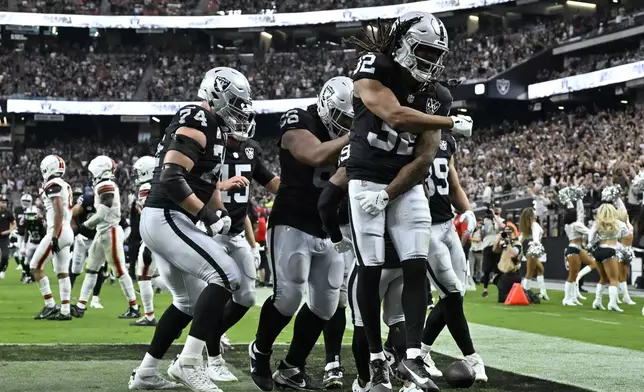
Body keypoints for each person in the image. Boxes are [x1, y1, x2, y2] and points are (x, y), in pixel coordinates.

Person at [344, 12, 472, 391]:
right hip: (365, 177)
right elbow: (394, 115)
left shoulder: (438, 95)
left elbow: (424, 159)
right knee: (370, 267)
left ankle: (413, 357)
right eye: (424, 52)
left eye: (437, 55)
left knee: (416, 265)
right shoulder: (374, 68)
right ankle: (374, 356)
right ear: (402, 45)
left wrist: (390, 194)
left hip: (402, 183)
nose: (431, 63)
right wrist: (449, 123)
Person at [129, 66, 252, 392]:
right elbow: (171, 177)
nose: (241, 111)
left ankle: (146, 373)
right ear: (218, 95)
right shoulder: (198, 118)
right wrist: (208, 217)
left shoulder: (213, 129)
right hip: (166, 215)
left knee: (187, 303)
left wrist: (220, 211)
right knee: (227, 276)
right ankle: (188, 363)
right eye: (237, 103)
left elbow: (207, 181)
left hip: (168, 217)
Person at [249, 77, 351, 391]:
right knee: (288, 296)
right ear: (325, 105)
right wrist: (356, 137)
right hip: (292, 220)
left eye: (352, 120)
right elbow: (316, 154)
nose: (346, 125)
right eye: (343, 118)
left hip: (328, 226)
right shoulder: (298, 119)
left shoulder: (350, 132)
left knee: (326, 304)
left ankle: (291, 366)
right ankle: (260, 351)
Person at [318, 144, 407, 392]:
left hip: (371, 258)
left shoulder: (357, 151)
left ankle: (366, 381)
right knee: (399, 319)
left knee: (361, 322)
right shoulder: (407, 149)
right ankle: (409, 380)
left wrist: (336, 237)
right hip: (403, 254)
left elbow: (325, 203)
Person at [206, 116, 280, 383]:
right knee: (214, 295)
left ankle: (209, 337)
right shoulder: (208, 144)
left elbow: (271, 183)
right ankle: (211, 357)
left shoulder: (250, 149)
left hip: (235, 233)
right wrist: (221, 185)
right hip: (208, 231)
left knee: (247, 297)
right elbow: (187, 181)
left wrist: (300, 194)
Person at [421, 129, 487, 383]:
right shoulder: (409, 136)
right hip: (424, 227)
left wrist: (468, 210)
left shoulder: (447, 140)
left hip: (447, 224)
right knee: (450, 293)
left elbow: (453, 183)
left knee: (455, 294)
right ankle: (472, 356)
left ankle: (423, 352)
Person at [71, 155, 139, 319]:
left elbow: (102, 212)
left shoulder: (106, 185)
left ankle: (134, 307)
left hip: (111, 232)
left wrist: (83, 226)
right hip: (103, 232)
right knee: (91, 269)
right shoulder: (104, 184)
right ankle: (80, 306)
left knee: (120, 270)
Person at [31, 155, 75, 321]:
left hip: (58, 232)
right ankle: (64, 310)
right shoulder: (64, 184)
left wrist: (55, 235)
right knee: (62, 272)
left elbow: (59, 210)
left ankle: (50, 305)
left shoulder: (53, 184)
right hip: (66, 230)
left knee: (35, 266)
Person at [130, 155, 160, 327]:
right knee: (153, 276)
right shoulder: (158, 184)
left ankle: (149, 316)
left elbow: (149, 215)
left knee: (144, 276)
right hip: (157, 235)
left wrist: (148, 243)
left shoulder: (146, 187)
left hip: (152, 236)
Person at [588, 203, 628, 312]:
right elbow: (626, 233)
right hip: (610, 251)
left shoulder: (597, 224)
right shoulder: (618, 223)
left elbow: (590, 238)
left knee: (603, 278)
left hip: (598, 251)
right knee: (614, 279)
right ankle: (612, 303)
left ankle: (597, 301)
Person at [562, 196, 595, 306]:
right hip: (574, 250)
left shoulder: (567, 225)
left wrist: (574, 199)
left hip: (575, 248)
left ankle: (573, 297)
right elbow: (590, 232)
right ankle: (567, 299)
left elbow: (578, 212)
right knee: (572, 276)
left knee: (589, 266)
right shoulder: (576, 225)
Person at [519, 208, 549, 300]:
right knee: (530, 272)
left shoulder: (528, 225)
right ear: (532, 215)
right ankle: (525, 292)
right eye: (534, 211)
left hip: (528, 248)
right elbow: (536, 238)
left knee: (540, 269)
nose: (536, 212)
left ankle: (543, 293)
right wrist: (536, 243)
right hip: (533, 249)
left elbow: (520, 238)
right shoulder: (534, 224)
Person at [492, 226, 522, 303]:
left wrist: (508, 243)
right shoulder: (504, 243)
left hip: (513, 274)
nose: (507, 235)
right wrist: (499, 237)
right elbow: (495, 250)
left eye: (509, 233)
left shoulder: (517, 244)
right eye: (506, 233)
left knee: (510, 299)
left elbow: (513, 254)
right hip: (504, 274)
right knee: (502, 299)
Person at [480, 206, 505, 298]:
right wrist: (483, 225)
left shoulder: (500, 220)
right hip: (487, 246)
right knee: (486, 269)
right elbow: (482, 234)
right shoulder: (485, 221)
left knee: (498, 269)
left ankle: (501, 288)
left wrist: (495, 218)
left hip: (497, 246)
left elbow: (502, 227)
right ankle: (485, 289)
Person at [14, 193, 32, 281]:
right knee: (20, 254)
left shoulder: (33, 210)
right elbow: (16, 221)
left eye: (27, 201)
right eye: (24, 201)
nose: (25, 202)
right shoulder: (17, 210)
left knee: (27, 255)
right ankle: (26, 272)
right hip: (20, 235)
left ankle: (27, 273)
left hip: (29, 235)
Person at [0, 195, 16, 279]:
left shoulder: (8, 213)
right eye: (2, 202)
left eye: (5, 202)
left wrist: (9, 231)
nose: (4, 204)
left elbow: (14, 224)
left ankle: (1, 270)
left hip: (4, 238)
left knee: (5, 256)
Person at [468, 220, 483, 284]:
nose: (479, 224)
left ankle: (478, 280)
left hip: (479, 251)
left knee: (479, 268)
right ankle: (471, 280)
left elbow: (478, 239)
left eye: (480, 223)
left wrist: (470, 238)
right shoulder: (472, 231)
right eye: (478, 223)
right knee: (471, 266)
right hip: (472, 251)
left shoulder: (482, 231)